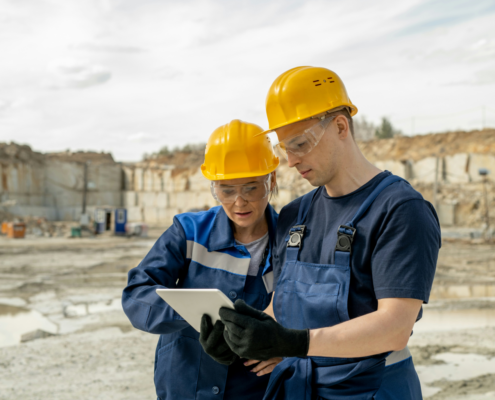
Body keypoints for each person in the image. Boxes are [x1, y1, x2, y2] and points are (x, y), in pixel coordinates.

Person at [218, 67, 441, 399]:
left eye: (300, 144)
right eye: (284, 149)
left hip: (370, 389)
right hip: (299, 388)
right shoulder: (295, 214)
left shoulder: (399, 209)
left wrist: (294, 343)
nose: (290, 161)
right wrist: (241, 339)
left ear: (340, 126)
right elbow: (283, 306)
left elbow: (395, 328)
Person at [122, 119, 282, 400]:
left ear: (272, 181)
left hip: (254, 392)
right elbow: (137, 295)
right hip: (185, 387)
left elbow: (315, 314)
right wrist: (196, 313)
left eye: (251, 188)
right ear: (213, 188)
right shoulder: (189, 232)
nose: (239, 202)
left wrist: (288, 350)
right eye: (226, 190)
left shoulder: (292, 242)